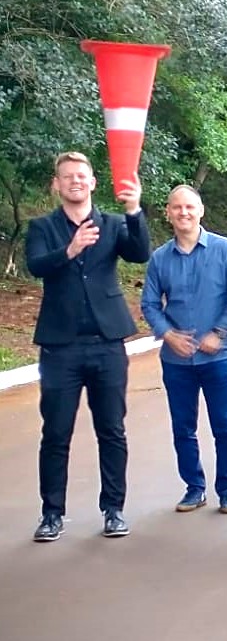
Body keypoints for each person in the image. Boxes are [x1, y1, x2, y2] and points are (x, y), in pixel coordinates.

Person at [27, 152, 151, 542]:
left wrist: (134, 209)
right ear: (57, 184)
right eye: (67, 176)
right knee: (56, 432)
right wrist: (70, 249)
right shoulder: (42, 227)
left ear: (94, 182)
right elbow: (36, 265)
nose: (75, 181)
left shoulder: (112, 224)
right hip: (60, 347)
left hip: (107, 343)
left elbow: (140, 252)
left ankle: (113, 509)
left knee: (111, 429)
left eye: (82, 175)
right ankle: (52, 514)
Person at [141, 185, 227, 515]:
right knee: (183, 428)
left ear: (201, 210)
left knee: (225, 425)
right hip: (177, 361)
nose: (183, 213)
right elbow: (149, 303)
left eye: (189, 206)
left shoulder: (224, 249)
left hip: (218, 357)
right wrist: (167, 334)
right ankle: (194, 488)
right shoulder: (160, 258)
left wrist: (218, 333)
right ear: (168, 213)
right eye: (177, 207)